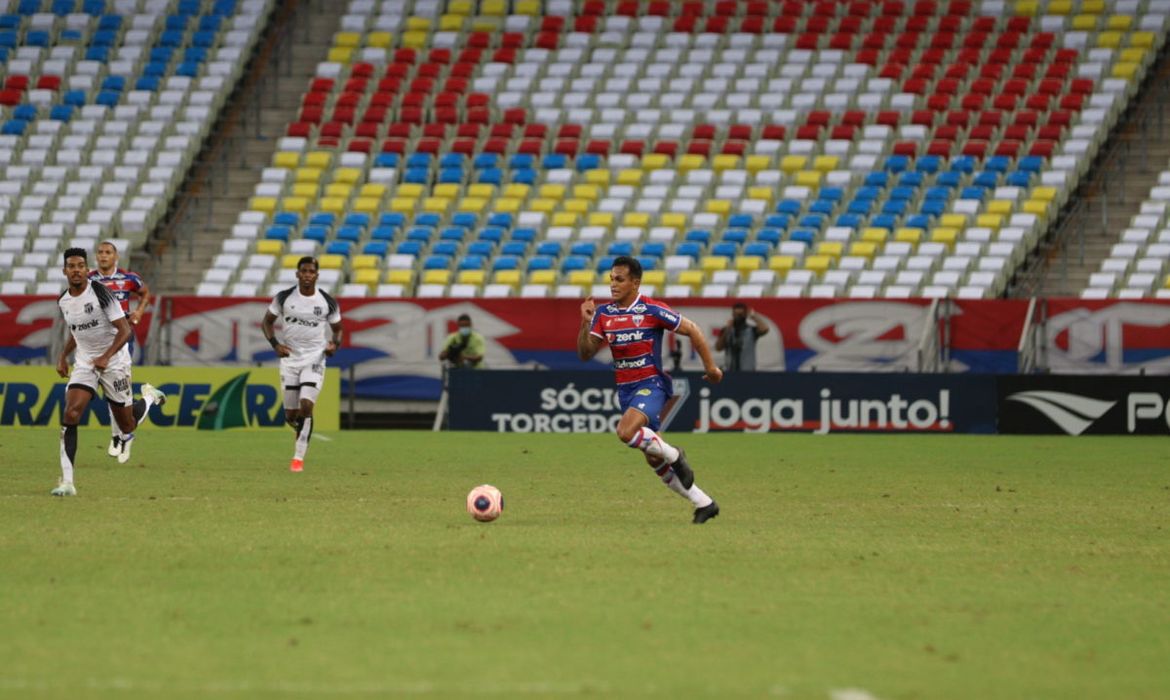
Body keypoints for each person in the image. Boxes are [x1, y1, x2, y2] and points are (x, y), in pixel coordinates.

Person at [577, 255, 724, 524]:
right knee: (653, 460)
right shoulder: (605, 315)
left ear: (635, 282)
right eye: (611, 279)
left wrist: (712, 368)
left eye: (619, 279)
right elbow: (586, 353)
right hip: (625, 390)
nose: (613, 284)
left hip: (652, 384)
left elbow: (693, 330)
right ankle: (704, 503)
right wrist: (586, 321)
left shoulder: (651, 310)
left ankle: (676, 454)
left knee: (625, 432)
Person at [54, 248, 166, 496]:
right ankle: (67, 482)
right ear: (65, 271)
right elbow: (76, 331)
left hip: (115, 360)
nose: (76, 270)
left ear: (86, 269)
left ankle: (149, 397)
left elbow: (125, 330)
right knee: (71, 413)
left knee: (128, 425)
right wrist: (63, 356)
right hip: (85, 362)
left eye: (80, 265)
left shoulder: (102, 293)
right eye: (71, 266)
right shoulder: (63, 300)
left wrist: (106, 356)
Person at [261, 256, 342, 473]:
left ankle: (298, 458)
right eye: (303, 271)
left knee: (307, 406)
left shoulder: (327, 302)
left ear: (317, 275)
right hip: (290, 360)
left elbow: (338, 329)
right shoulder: (284, 297)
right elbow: (267, 322)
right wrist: (275, 345)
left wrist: (335, 345)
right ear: (297, 274)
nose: (307, 275)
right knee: (291, 415)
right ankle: (302, 431)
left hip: (315, 358)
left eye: (311, 272)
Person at [89, 239, 152, 457]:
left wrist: (139, 312)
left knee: (119, 391)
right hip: (98, 341)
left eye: (108, 252)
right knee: (111, 391)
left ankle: (123, 433)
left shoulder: (128, 278)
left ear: (116, 257)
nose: (103, 255)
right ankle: (121, 435)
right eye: (100, 252)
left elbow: (145, 293)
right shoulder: (89, 279)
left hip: (122, 338)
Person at [715, 302, 770, 372]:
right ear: (733, 314)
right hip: (731, 370)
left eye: (740, 314)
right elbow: (718, 348)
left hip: (748, 372)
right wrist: (727, 331)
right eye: (736, 314)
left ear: (745, 315)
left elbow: (765, 329)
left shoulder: (751, 330)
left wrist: (753, 316)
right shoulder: (727, 330)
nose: (738, 317)